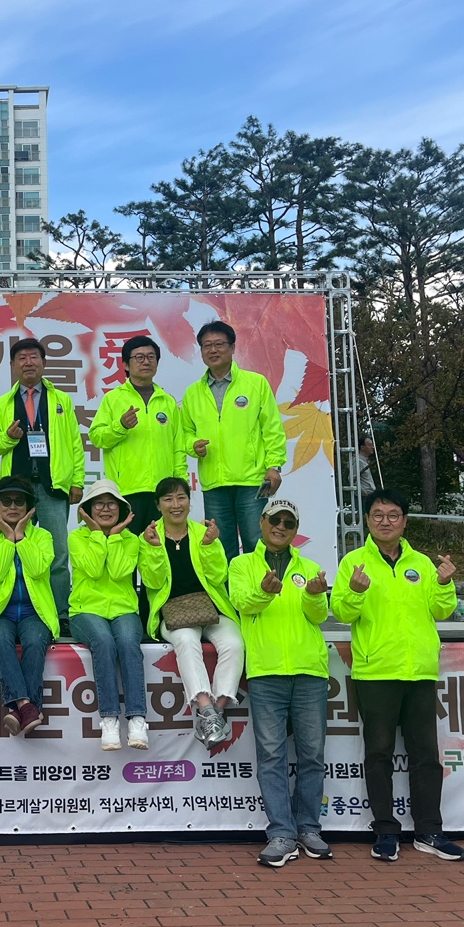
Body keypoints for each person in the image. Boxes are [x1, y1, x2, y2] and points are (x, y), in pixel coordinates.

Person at [332, 488, 464, 863]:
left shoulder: (422, 564)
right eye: (377, 515)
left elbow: (442, 611)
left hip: (419, 671)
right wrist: (355, 592)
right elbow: (341, 612)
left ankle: (429, 831)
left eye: (393, 515)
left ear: (405, 521)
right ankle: (386, 831)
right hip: (375, 672)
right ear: (367, 521)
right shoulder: (354, 562)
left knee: (426, 756)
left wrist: (444, 583)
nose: (385, 521)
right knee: (379, 754)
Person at [229, 498, 333, 868]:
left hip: (308, 670)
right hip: (266, 671)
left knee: (312, 755)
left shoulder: (310, 567)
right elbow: (243, 603)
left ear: (295, 530)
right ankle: (281, 834)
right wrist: (264, 591)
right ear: (262, 521)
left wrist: (315, 595)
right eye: (275, 520)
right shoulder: (241, 564)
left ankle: (309, 829)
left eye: (289, 523)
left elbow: (317, 616)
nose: (281, 527)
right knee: (271, 756)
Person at [0, 337, 84, 620]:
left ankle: (60, 614)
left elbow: (75, 443)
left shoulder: (61, 400)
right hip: (17, 493)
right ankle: (17, 612)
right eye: (22, 358)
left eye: (33, 357)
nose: (28, 363)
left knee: (58, 555)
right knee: (15, 550)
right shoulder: (2, 403)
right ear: (13, 366)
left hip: (52, 487)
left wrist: (77, 481)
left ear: (44, 362)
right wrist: (8, 437)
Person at [139, 477, 240, 748]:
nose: (176, 505)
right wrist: (155, 548)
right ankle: (206, 707)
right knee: (185, 640)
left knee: (234, 643)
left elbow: (218, 577)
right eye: (168, 499)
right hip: (173, 613)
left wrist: (209, 546)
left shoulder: (203, 532)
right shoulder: (148, 537)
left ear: (189, 501)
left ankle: (214, 713)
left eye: (181, 497)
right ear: (158, 505)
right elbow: (152, 582)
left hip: (211, 609)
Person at [180, 320, 287, 560]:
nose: (213, 350)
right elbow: (184, 432)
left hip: (251, 480)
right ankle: (227, 587)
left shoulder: (255, 384)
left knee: (256, 543)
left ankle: (260, 586)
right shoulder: (192, 393)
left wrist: (274, 465)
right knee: (220, 547)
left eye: (219, 344)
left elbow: (272, 429)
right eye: (207, 345)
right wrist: (192, 446)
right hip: (214, 484)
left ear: (232, 347)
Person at [68, 477, 150, 751]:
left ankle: (137, 718)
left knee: (127, 642)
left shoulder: (131, 539)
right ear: (88, 510)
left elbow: (117, 572)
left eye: (111, 504)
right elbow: (93, 570)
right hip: (85, 611)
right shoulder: (77, 537)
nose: (105, 509)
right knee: (103, 641)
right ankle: (109, 719)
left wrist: (114, 537)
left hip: (124, 610)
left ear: (122, 508)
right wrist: (96, 535)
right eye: (99, 504)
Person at [0, 475, 58, 736]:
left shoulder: (43, 536)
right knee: (1, 638)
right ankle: (27, 706)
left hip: (34, 612)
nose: (13, 506)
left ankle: (17, 709)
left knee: (35, 641)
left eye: (19, 501)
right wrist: (7, 539)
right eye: (6, 501)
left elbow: (37, 570)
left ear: (29, 507)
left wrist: (21, 538)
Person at [87, 335, 186, 534]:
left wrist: (180, 486)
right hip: (126, 490)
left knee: (159, 549)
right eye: (139, 357)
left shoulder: (167, 402)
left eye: (151, 357)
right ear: (125, 364)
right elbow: (97, 437)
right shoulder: (113, 399)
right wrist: (121, 426)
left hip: (162, 492)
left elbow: (178, 446)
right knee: (127, 549)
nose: (146, 362)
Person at [356, 436, 377, 513]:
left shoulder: (364, 461)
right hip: (364, 498)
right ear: (362, 447)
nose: (372, 447)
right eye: (370, 445)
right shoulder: (358, 461)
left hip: (369, 496)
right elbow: (352, 479)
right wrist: (363, 492)